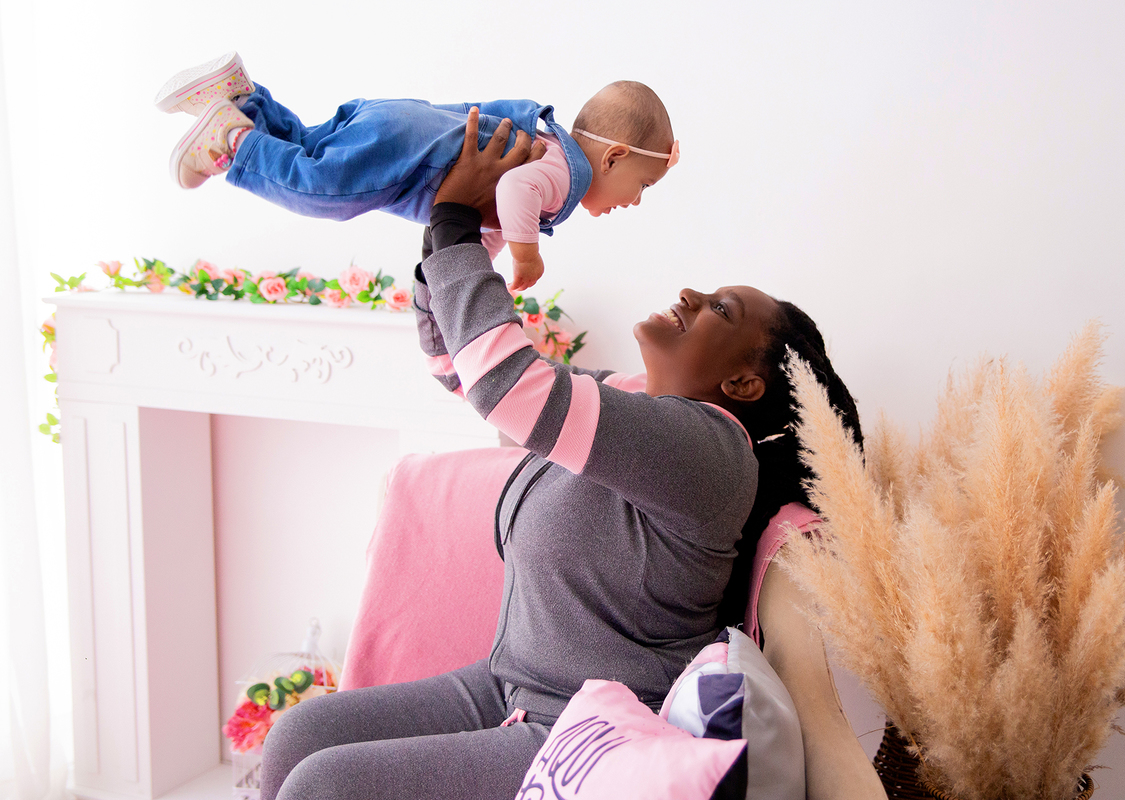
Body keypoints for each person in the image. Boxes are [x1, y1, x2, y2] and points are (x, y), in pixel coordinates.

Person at [257, 110, 862, 800]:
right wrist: (450, 232)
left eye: (721, 310)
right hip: (503, 681)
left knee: (323, 786)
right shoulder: (622, 399)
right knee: (296, 738)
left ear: (744, 383)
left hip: (581, 725)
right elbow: (464, 374)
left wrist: (456, 216)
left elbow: (509, 390)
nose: (691, 295)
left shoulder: (713, 448)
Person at [154, 52, 680, 290]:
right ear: (612, 158)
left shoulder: (547, 147)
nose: (634, 201)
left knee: (309, 150)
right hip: (410, 153)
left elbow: (486, 218)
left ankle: (243, 100)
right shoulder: (564, 175)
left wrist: (476, 265)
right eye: (643, 186)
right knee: (322, 191)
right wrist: (527, 255)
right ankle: (230, 140)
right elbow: (517, 189)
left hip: (402, 123)